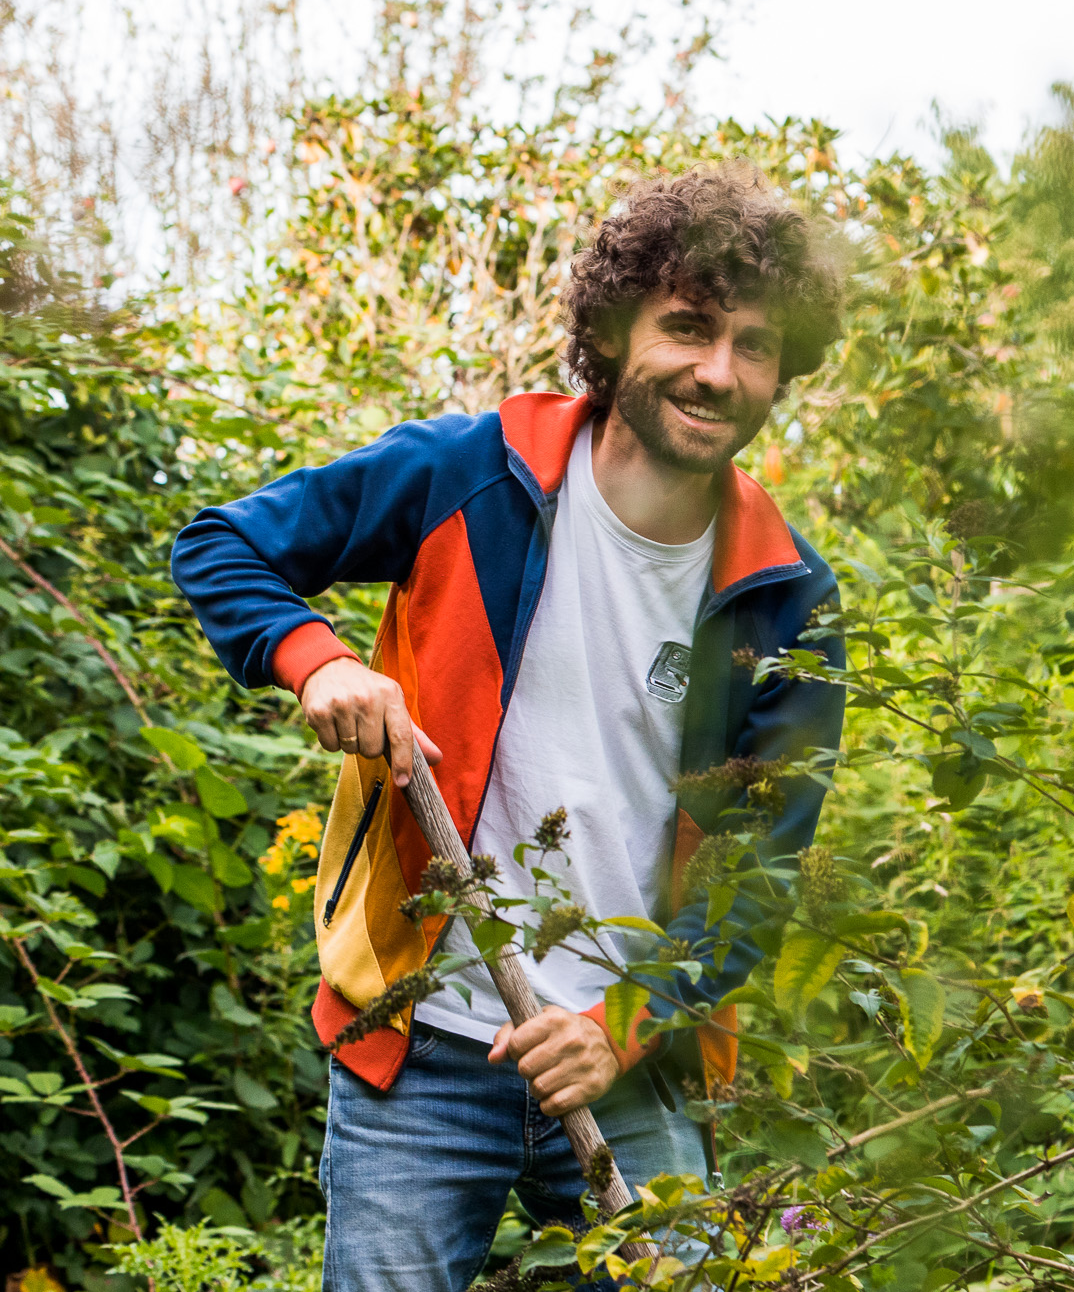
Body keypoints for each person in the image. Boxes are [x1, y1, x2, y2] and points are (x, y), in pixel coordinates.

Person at [171, 164, 848, 1291]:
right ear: (615, 328)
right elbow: (221, 545)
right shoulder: (469, 475)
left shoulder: (786, 598)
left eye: (756, 344)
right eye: (687, 327)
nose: (718, 370)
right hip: (417, 1051)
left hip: (627, 1069)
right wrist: (319, 661)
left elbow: (758, 882)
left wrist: (620, 1026)